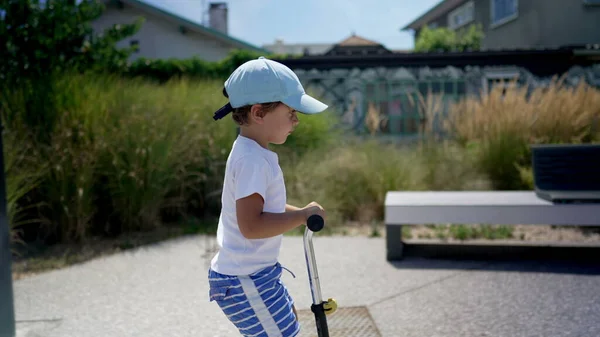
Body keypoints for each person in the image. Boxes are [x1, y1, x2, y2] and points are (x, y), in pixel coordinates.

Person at [208, 56, 328, 337]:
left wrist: (300, 212)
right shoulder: (252, 160)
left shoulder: (252, 152)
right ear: (259, 113)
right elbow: (251, 226)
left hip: (255, 274)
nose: (296, 121)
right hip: (245, 278)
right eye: (291, 113)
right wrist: (300, 217)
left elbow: (265, 207)